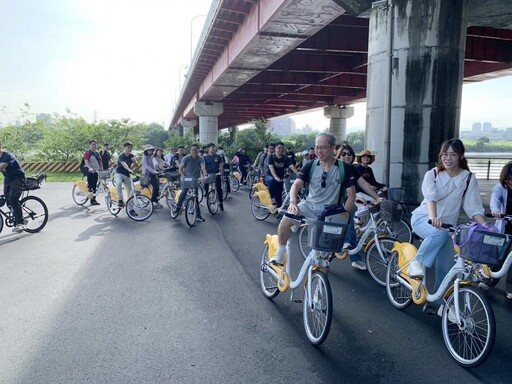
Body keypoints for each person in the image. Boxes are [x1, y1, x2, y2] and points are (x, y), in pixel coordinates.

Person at [408, 139, 486, 298]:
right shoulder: (433, 174)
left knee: (446, 267)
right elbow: (431, 198)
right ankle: (416, 262)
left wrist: (486, 226)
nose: (448, 158)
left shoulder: (468, 178)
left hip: (446, 227)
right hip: (423, 219)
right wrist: (433, 217)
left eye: (453, 154)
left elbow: (472, 207)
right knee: (438, 233)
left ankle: (441, 304)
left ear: (461, 156)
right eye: (445, 154)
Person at [268, 133, 357, 265]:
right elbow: (296, 185)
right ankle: (281, 252)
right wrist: (293, 202)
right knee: (286, 220)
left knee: (323, 262)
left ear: (333, 148)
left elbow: (352, 195)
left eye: (323, 147)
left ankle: (320, 283)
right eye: (316, 147)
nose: (318, 151)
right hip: (308, 206)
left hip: (328, 213)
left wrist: (342, 216)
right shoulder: (311, 165)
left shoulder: (344, 168)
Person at [337, 143, 383, 270]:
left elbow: (364, 184)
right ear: (338, 155)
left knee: (350, 233)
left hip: (348, 203)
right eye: (344, 154)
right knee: (333, 234)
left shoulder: (352, 169)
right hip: (334, 203)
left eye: (349, 154)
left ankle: (355, 258)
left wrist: (377, 197)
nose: (347, 156)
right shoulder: (335, 167)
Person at [490, 161, 512, 299]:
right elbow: (494, 200)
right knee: (499, 256)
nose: (510, 181)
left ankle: (510, 287)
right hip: (505, 227)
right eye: (508, 179)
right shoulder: (500, 188)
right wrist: (496, 211)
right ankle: (490, 281)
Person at [173, 143, 208, 222]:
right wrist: (183, 176)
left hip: (195, 179)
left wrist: (205, 175)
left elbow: (203, 168)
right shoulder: (186, 158)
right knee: (184, 192)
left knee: (195, 197)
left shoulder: (200, 159)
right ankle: (177, 208)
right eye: (192, 150)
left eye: (196, 150)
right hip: (187, 179)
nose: (194, 152)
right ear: (190, 151)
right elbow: (180, 169)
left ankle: (198, 215)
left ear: (198, 150)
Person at [0, 141, 27, 232]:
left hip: (18, 179)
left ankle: (20, 223)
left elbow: (2, 166)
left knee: (13, 199)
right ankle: (19, 216)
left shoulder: (8, 156)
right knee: (7, 201)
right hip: (8, 180)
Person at [265, 142, 299, 209]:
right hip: (270, 176)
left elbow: (291, 166)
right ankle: (272, 198)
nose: (280, 149)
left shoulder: (285, 158)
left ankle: (278, 211)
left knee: (279, 197)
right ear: (275, 149)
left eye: (282, 148)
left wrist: (298, 174)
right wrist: (275, 177)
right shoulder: (271, 157)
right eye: (279, 148)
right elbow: (271, 167)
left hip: (280, 178)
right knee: (272, 181)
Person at [114, 142, 137, 208]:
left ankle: (131, 209)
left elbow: (136, 166)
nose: (129, 149)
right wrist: (129, 169)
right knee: (118, 183)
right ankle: (120, 200)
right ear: (125, 148)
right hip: (119, 173)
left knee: (130, 191)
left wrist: (135, 162)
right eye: (128, 147)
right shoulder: (121, 155)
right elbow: (124, 164)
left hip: (127, 175)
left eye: (131, 148)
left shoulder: (132, 156)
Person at [203, 143, 224, 211]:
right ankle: (206, 193)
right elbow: (204, 167)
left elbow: (221, 165)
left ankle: (221, 202)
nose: (213, 150)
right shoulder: (205, 157)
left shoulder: (218, 157)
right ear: (209, 149)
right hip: (208, 174)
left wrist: (221, 174)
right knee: (206, 183)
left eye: (214, 148)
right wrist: (205, 174)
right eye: (212, 148)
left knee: (219, 188)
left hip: (217, 174)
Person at [141, 144, 163, 209]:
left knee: (158, 186)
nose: (150, 151)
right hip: (147, 175)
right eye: (149, 150)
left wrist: (158, 171)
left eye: (151, 150)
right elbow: (147, 167)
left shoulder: (151, 157)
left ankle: (156, 200)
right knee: (155, 187)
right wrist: (154, 171)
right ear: (146, 151)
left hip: (152, 174)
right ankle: (153, 201)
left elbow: (153, 166)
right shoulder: (144, 158)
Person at [83, 140, 103, 205]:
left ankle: (93, 200)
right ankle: (90, 198)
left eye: (95, 144)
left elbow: (100, 162)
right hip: (90, 172)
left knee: (95, 186)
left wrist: (102, 169)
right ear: (90, 145)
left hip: (96, 172)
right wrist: (90, 168)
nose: (94, 146)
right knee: (91, 186)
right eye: (93, 144)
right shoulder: (87, 153)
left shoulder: (97, 153)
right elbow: (86, 161)